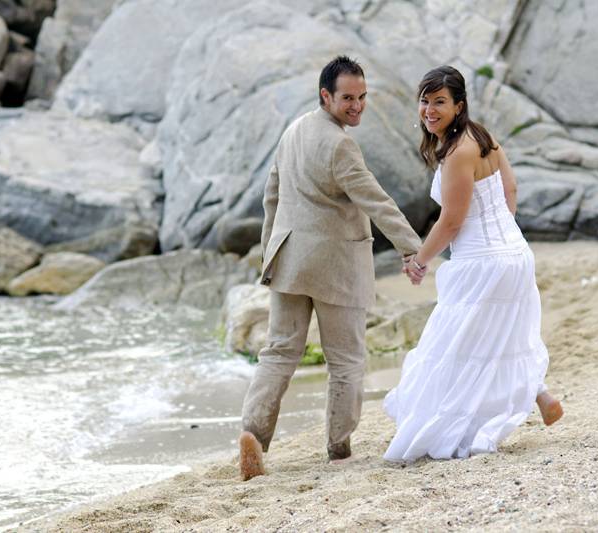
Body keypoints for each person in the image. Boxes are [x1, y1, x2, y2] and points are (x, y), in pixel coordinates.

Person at [239, 56, 422, 480]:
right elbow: (375, 200)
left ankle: (252, 436)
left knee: (278, 354)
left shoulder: (293, 131)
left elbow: (272, 195)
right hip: (335, 266)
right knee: (346, 360)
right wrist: (412, 248)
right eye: (347, 98)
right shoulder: (341, 145)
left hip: (289, 261)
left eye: (362, 97)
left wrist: (269, 252)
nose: (357, 106)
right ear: (326, 96)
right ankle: (339, 449)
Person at [385, 65, 563, 462]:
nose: (429, 110)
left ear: (458, 105)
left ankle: (453, 430)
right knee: (500, 339)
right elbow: (510, 188)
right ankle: (541, 394)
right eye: (425, 101)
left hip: (484, 264)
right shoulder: (482, 137)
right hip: (514, 256)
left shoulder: (458, 152)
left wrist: (420, 261)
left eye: (440, 102)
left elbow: (451, 221)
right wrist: (504, 235)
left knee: (452, 348)